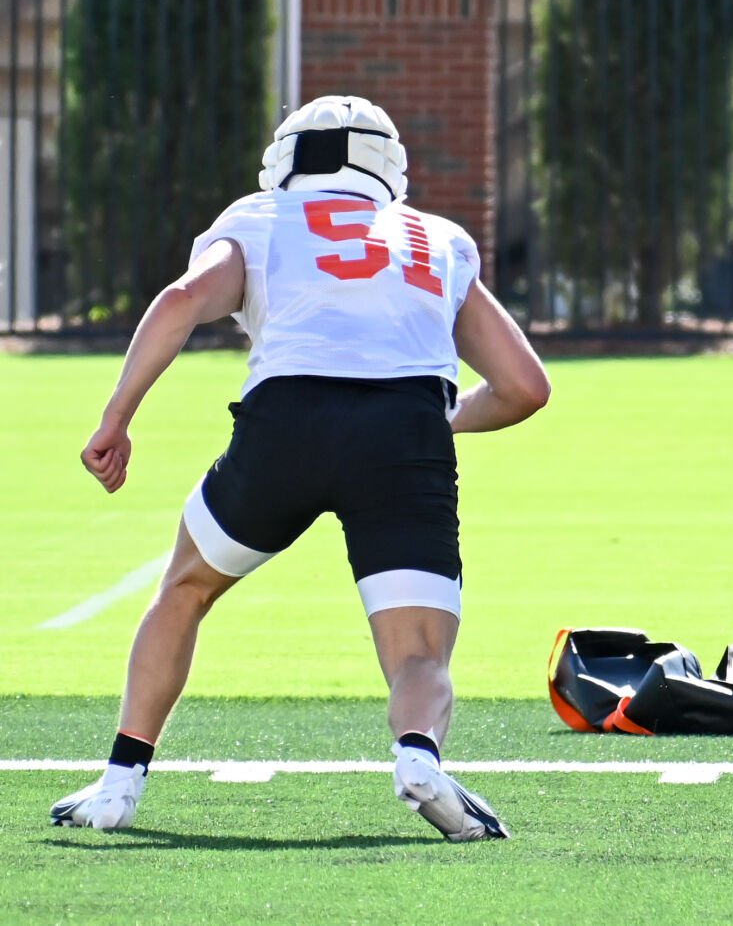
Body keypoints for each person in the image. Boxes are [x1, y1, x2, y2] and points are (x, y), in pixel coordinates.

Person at [51, 96, 551, 841]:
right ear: (388, 167)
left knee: (186, 588)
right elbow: (525, 387)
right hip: (404, 432)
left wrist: (116, 419)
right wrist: (429, 419)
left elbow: (184, 299)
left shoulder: (258, 217)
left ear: (288, 157)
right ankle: (418, 757)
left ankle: (120, 782)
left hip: (284, 424)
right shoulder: (438, 237)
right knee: (419, 650)